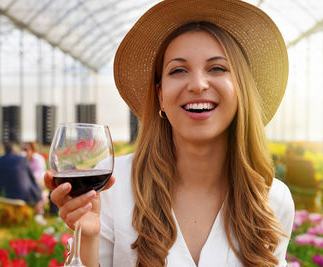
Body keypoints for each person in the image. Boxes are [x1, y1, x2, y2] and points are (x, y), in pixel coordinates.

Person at [45, 0, 295, 266]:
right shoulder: (111, 188)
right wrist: (88, 236)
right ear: (160, 96)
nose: (198, 84)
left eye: (217, 68)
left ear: (242, 91)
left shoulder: (272, 199)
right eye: (178, 70)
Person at [0, 142, 41, 206]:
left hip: (2, 196)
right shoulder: (24, 160)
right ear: (15, 150)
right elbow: (32, 179)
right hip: (24, 197)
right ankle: (39, 212)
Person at [285, 145, 318, 211]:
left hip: (296, 193)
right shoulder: (309, 163)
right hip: (309, 193)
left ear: (295, 153)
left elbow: (288, 180)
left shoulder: (291, 164)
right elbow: (313, 179)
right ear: (304, 153)